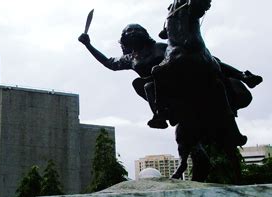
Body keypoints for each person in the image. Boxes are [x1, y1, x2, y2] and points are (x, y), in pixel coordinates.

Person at [78, 24, 262, 130]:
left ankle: (243, 76)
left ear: (143, 33)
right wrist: (88, 45)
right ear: (124, 39)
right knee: (145, 85)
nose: (132, 33)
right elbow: (109, 63)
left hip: (178, 81)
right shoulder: (129, 58)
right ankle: (159, 115)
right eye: (128, 32)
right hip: (161, 92)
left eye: (135, 30)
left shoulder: (161, 46)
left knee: (208, 59)